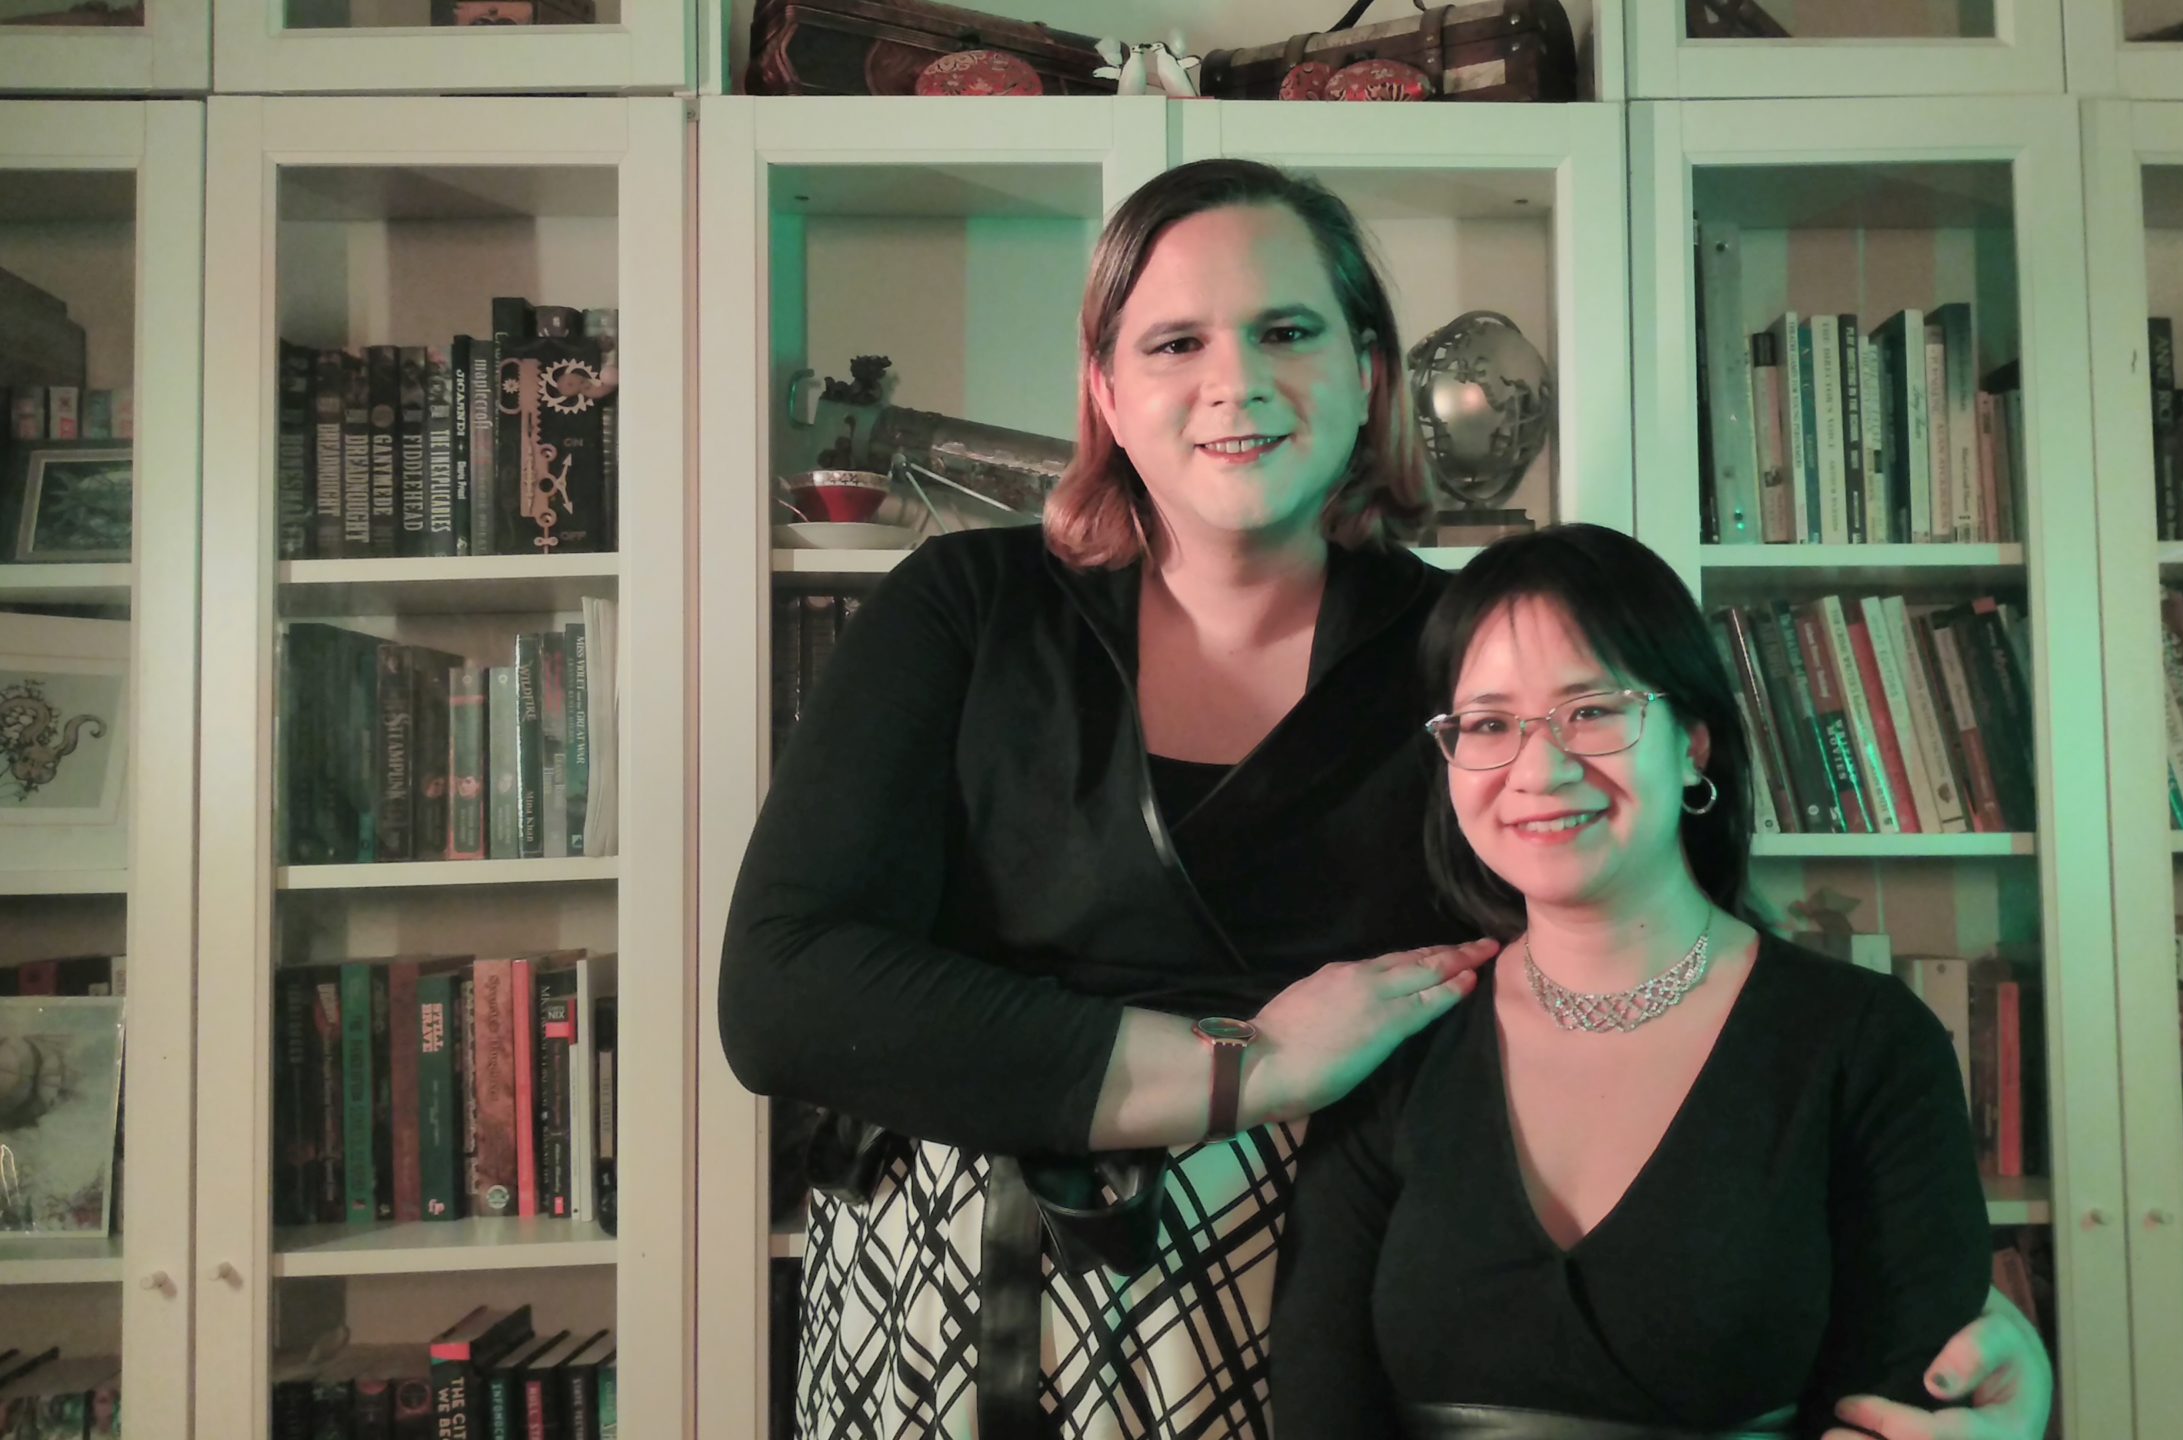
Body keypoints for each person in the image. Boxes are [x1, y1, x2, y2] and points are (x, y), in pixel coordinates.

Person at [719, 158, 2053, 1440]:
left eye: (1287, 329)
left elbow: (1654, 952)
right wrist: (1249, 1065)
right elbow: (786, 995)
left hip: (1312, 1299)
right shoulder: (960, 608)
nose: (1234, 380)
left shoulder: (1459, 652)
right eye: (1174, 342)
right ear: (1105, 393)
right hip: (955, 1302)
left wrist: (1935, 1295)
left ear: (1367, 374)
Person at [1270, 524, 1999, 1439]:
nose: (1539, 768)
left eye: (1593, 710)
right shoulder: (1397, 1038)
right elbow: (1317, 1399)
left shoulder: (1867, 1041)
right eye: (1490, 724)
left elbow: (1901, 1404)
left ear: (1693, 743)